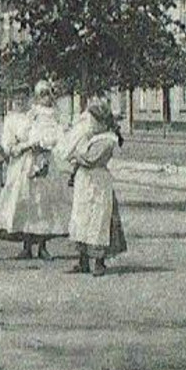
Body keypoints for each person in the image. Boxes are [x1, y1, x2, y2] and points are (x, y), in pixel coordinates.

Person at [0, 82, 71, 259]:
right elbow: (8, 146)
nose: (20, 101)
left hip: (42, 161)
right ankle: (27, 246)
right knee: (25, 203)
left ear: (30, 99)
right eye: (16, 99)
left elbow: (53, 133)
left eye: (23, 98)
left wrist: (45, 145)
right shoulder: (12, 119)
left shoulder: (37, 115)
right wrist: (24, 146)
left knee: (43, 203)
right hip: (23, 164)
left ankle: (42, 246)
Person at [62, 99, 128, 277]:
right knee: (82, 217)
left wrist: (76, 155)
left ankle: (99, 261)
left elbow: (91, 159)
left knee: (98, 219)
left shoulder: (107, 140)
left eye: (93, 122)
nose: (89, 125)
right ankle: (82, 260)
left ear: (102, 123)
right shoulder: (92, 138)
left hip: (98, 181)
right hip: (85, 181)